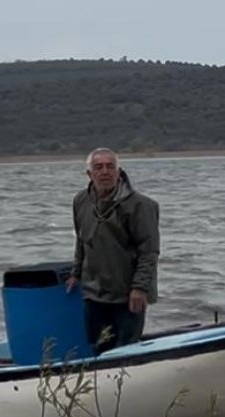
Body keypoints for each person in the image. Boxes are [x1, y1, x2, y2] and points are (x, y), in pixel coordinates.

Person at [64, 147, 160, 354]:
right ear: (89, 174)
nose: (105, 172)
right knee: (98, 348)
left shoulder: (140, 205)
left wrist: (140, 288)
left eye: (110, 166)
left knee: (126, 350)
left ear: (119, 171)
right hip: (94, 293)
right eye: (98, 167)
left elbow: (149, 251)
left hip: (128, 294)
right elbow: (82, 240)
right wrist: (75, 273)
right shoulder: (81, 201)